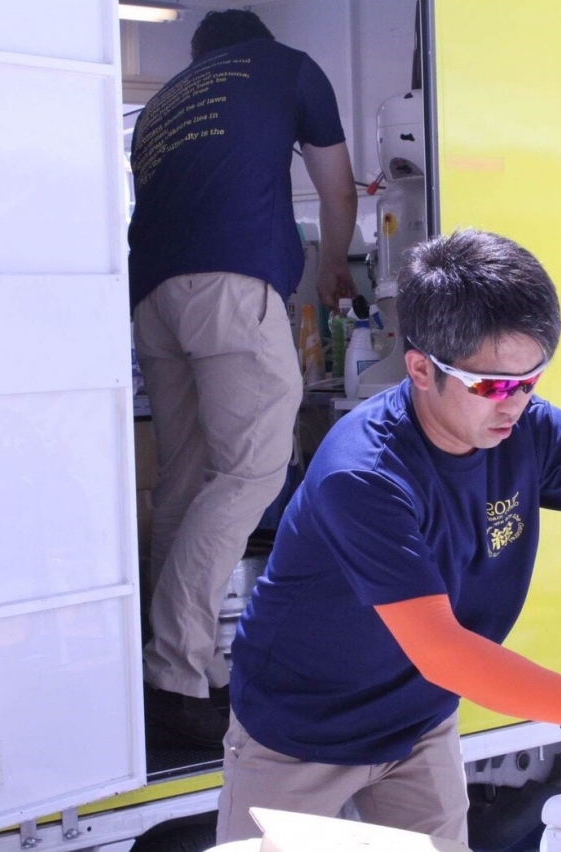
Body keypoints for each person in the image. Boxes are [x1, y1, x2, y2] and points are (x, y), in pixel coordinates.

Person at [216, 230, 561, 844]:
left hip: (418, 720)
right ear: (421, 368)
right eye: (493, 385)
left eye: (531, 380)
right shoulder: (365, 473)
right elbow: (442, 649)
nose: (515, 403)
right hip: (299, 728)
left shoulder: (531, 430)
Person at [128, 9, 359, 747]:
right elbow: (338, 192)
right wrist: (333, 265)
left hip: (151, 298)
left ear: (200, 55)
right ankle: (175, 670)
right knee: (250, 472)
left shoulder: (161, 107)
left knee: (183, 480)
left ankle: (179, 667)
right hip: (230, 285)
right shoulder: (286, 67)